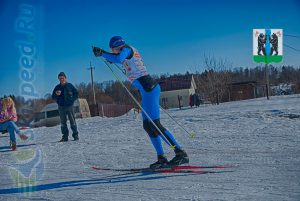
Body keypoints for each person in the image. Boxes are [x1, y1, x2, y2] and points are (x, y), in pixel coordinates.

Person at [92, 36, 189, 168]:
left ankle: (180, 153)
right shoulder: (123, 53)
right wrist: (106, 56)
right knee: (147, 126)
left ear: (117, 46)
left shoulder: (126, 49)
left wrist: (103, 53)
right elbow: (117, 60)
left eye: (113, 49)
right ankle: (161, 157)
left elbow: (119, 58)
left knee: (155, 124)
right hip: (145, 91)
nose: (113, 51)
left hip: (149, 89)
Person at [52, 72, 79, 142]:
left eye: (62, 78)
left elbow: (76, 93)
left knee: (72, 121)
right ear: (58, 79)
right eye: (60, 78)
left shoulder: (70, 86)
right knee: (63, 123)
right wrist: (56, 94)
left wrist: (72, 100)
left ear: (65, 78)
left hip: (70, 106)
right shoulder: (57, 87)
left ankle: (75, 136)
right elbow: (53, 97)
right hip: (61, 107)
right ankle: (65, 137)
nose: (61, 79)